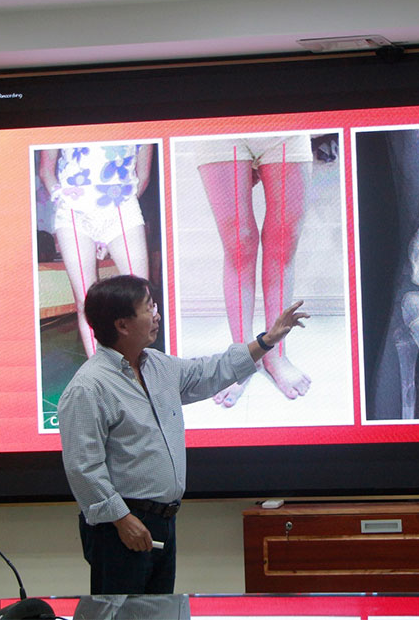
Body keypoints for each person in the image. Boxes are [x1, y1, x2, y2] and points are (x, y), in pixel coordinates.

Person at [57, 274, 308, 595]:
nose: (157, 314)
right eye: (148, 308)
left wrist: (267, 340)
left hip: (163, 521)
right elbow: (83, 467)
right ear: (122, 325)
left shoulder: (156, 365)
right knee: (121, 614)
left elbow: (209, 371)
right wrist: (121, 519)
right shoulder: (88, 387)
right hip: (120, 526)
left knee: (159, 611)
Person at [194, 134, 313, 406]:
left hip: (286, 124)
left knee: (284, 241)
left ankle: (276, 353)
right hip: (219, 125)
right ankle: (243, 356)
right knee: (238, 243)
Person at [38, 144, 154, 358]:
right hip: (74, 211)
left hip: (122, 208)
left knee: (141, 297)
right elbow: (46, 170)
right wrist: (61, 197)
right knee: (86, 301)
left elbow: (143, 174)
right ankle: (101, 372)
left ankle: (138, 369)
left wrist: (117, 209)